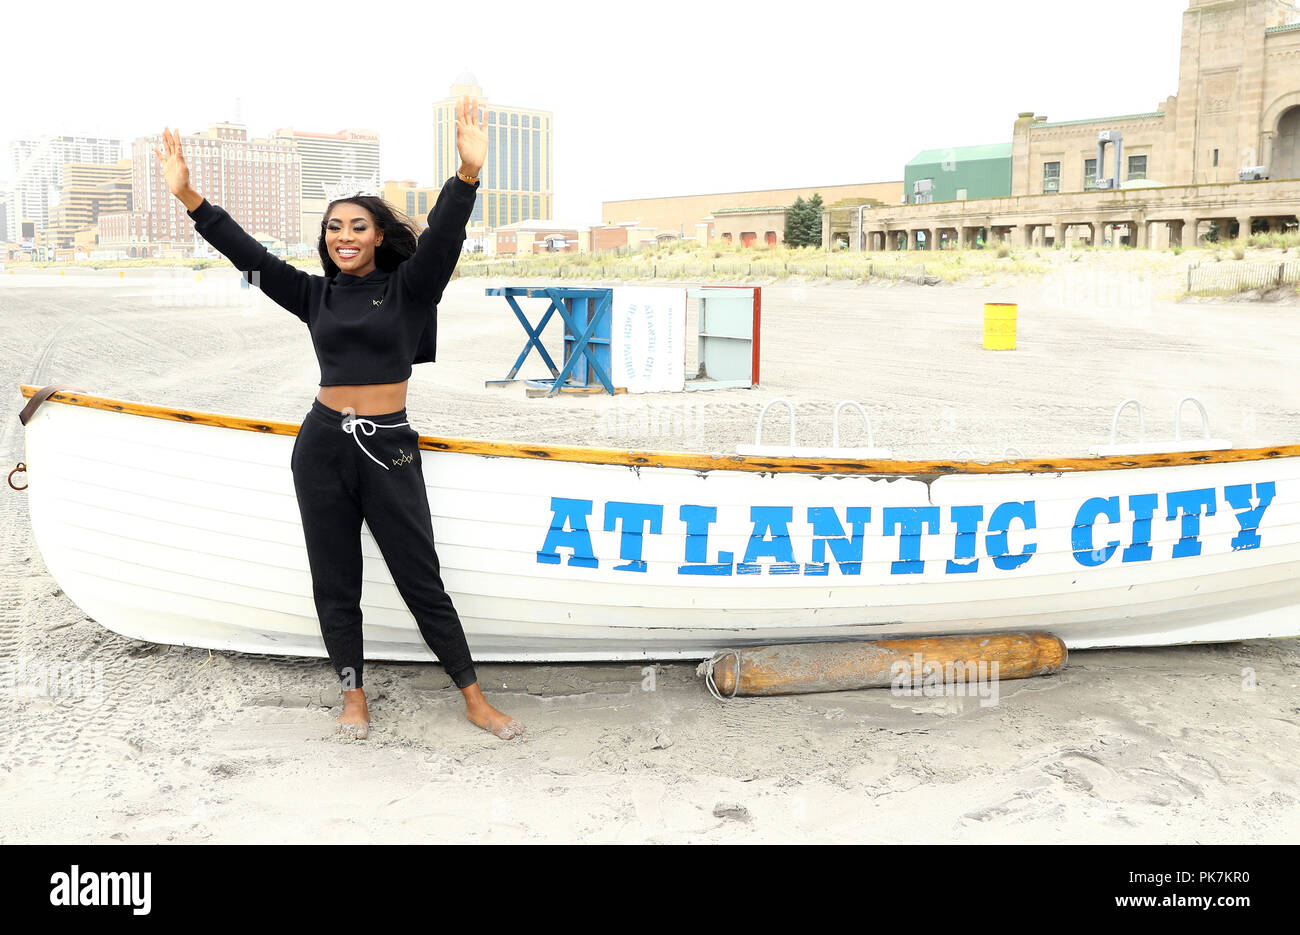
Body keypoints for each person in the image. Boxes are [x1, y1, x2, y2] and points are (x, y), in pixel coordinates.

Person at [155, 97, 522, 741]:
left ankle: (473, 696)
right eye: (333, 228)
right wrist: (191, 198)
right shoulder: (313, 294)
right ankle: (352, 694)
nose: (343, 237)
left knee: (419, 576)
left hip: (389, 449)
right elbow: (249, 255)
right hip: (322, 446)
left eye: (356, 227)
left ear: (377, 234)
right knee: (335, 577)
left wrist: (467, 174)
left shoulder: (411, 288)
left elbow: (442, 239)